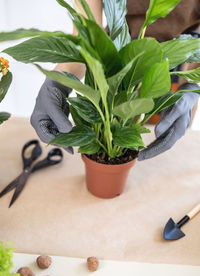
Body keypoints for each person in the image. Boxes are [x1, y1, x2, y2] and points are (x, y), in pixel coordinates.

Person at [30, 0, 200, 160]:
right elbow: (86, 38)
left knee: (165, 143)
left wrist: (191, 85)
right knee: (111, 136)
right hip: (116, 66)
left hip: (178, 66)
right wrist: (61, 79)